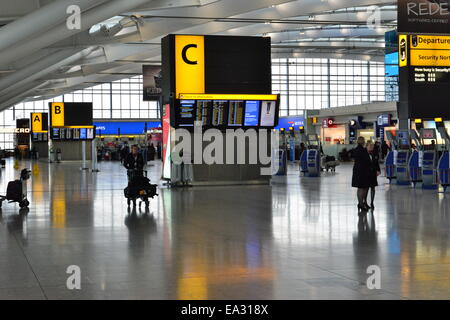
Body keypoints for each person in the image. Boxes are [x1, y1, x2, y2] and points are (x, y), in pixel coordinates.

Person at [352, 137, 372, 212]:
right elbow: (367, 161)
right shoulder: (363, 150)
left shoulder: (355, 150)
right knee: (363, 188)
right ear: (363, 142)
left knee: (359, 188)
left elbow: (353, 158)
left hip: (357, 170)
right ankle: (361, 204)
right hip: (363, 170)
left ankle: (360, 203)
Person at [366, 141, 381, 210]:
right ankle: (365, 202)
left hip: (373, 173)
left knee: (373, 188)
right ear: (366, 146)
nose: (371, 147)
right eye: (370, 146)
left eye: (372, 146)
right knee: (366, 188)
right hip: (366, 173)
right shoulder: (364, 154)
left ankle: (372, 202)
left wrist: (378, 170)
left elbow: (376, 162)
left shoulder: (375, 153)